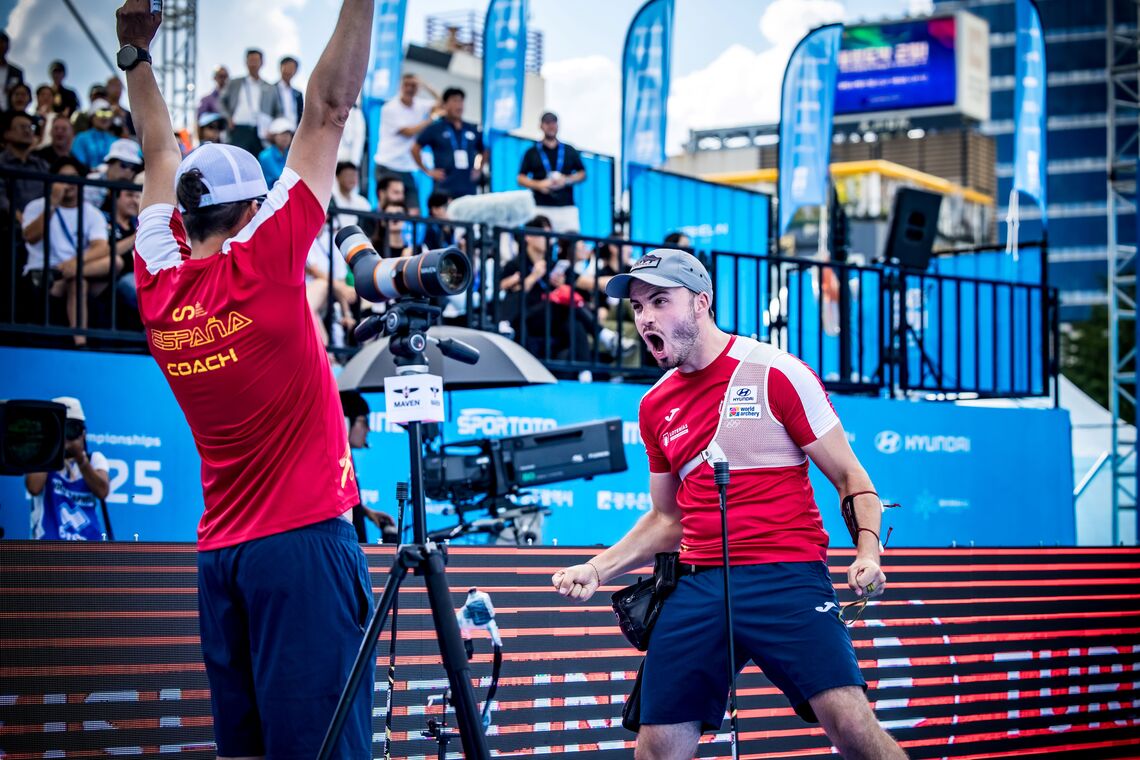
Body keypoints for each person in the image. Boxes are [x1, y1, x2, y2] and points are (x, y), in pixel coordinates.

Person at [117, 0, 376, 756]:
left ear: (188, 219)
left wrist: (136, 57)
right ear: (252, 212)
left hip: (221, 559)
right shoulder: (264, 260)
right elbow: (327, 110)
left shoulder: (159, 281)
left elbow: (159, 153)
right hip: (301, 549)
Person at [551, 248, 907, 760]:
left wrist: (868, 554)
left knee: (852, 727)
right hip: (699, 583)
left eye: (658, 301)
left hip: (786, 575)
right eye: (636, 308)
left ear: (701, 302)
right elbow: (667, 519)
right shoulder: (654, 405)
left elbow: (853, 479)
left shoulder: (776, 372)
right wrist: (596, 568)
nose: (645, 318)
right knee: (656, 750)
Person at [25, 396, 111, 541]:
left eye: (72, 429)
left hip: (87, 550)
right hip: (47, 549)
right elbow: (34, 487)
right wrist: (50, 447)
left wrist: (81, 459)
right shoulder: (42, 458)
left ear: (83, 433)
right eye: (61, 428)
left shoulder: (94, 459)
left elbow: (102, 491)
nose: (66, 435)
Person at [374, 72, 438, 211]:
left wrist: (425, 85)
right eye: (407, 85)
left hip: (406, 168)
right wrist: (431, 119)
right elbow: (408, 132)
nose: (410, 88)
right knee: (388, 208)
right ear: (400, 87)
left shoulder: (420, 105)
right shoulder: (390, 108)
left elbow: (442, 103)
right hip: (387, 165)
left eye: (413, 85)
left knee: (414, 211)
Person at [339, 390, 396, 543]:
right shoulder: (333, 462)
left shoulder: (345, 458)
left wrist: (365, 512)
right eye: (364, 422)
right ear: (344, 422)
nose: (368, 429)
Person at [412, 86, 486, 200]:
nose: (459, 105)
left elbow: (485, 150)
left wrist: (479, 169)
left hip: (468, 189)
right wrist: (427, 171)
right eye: (455, 101)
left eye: (461, 101)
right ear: (445, 104)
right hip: (444, 188)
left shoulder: (472, 128)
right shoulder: (435, 128)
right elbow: (415, 148)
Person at [517, 112, 586, 232]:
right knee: (538, 242)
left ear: (558, 126)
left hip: (566, 207)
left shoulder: (569, 150)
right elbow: (520, 178)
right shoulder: (532, 152)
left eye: (554, 122)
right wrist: (539, 185)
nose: (551, 126)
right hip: (540, 206)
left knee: (570, 244)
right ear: (541, 126)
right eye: (547, 123)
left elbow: (582, 173)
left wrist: (566, 180)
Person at [218, 48, 281, 155]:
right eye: (251, 60)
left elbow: (278, 111)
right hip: (238, 129)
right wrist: (228, 118)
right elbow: (221, 102)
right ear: (246, 62)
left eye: (256, 61)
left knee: (259, 162)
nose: (253, 64)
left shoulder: (270, 88)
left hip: (261, 132)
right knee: (238, 158)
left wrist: (273, 129)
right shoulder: (235, 83)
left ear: (262, 63)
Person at [257, 117, 293, 188]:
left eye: (288, 134)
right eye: (282, 134)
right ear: (274, 136)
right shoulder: (265, 156)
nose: (285, 137)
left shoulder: (290, 154)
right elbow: (280, 177)